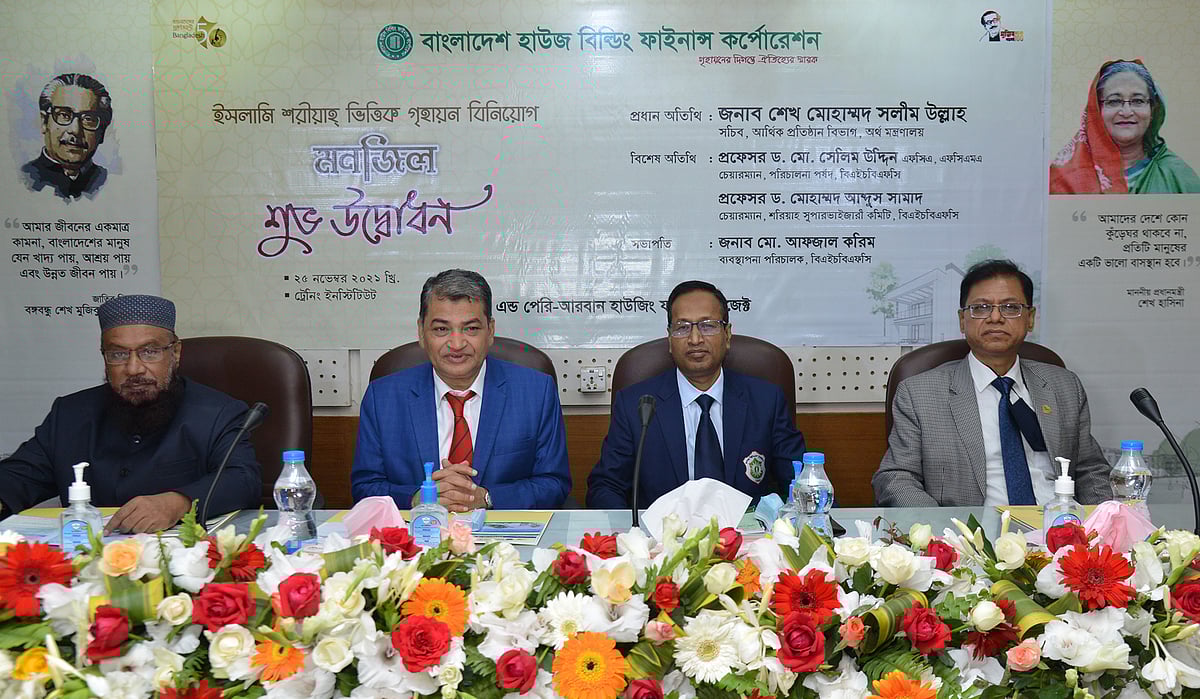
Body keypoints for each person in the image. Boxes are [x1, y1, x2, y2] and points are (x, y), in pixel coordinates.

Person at [0, 295, 262, 532]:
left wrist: (179, 502)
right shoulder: (70, 414)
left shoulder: (218, 413)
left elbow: (243, 479)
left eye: (149, 352)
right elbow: (18, 477)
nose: (134, 368)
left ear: (175, 353)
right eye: (118, 354)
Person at [873, 260, 1111, 507]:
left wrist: (1102, 522)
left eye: (1010, 307)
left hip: (1058, 524)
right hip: (969, 528)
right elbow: (896, 478)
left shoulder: (1064, 386)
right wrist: (938, 527)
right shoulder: (919, 394)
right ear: (962, 320)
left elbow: (1090, 470)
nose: (995, 317)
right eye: (981, 308)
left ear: (1030, 318)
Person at [351, 269, 571, 511]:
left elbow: (554, 484)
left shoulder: (536, 392)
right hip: (420, 530)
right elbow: (365, 487)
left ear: (490, 331)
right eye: (441, 329)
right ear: (421, 332)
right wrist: (418, 498)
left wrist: (486, 497)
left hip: (503, 531)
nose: (456, 344)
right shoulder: (382, 398)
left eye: (471, 329)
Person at [587, 280, 806, 509]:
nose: (695, 339)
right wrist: (634, 529)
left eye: (708, 326)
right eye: (682, 327)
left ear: (727, 334)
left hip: (744, 530)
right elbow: (605, 487)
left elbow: (802, 481)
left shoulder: (766, 401)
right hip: (665, 530)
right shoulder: (636, 405)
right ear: (670, 339)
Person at [1050, 59, 1200, 194]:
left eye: (1138, 101)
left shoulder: (1178, 176)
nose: (1126, 112)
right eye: (1114, 101)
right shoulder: (1064, 178)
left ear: (1153, 110)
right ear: (1096, 110)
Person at [21, 73, 112, 200]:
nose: (75, 130)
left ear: (101, 132)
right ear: (44, 122)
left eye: (88, 119)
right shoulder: (22, 179)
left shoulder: (108, 182)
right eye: (64, 115)